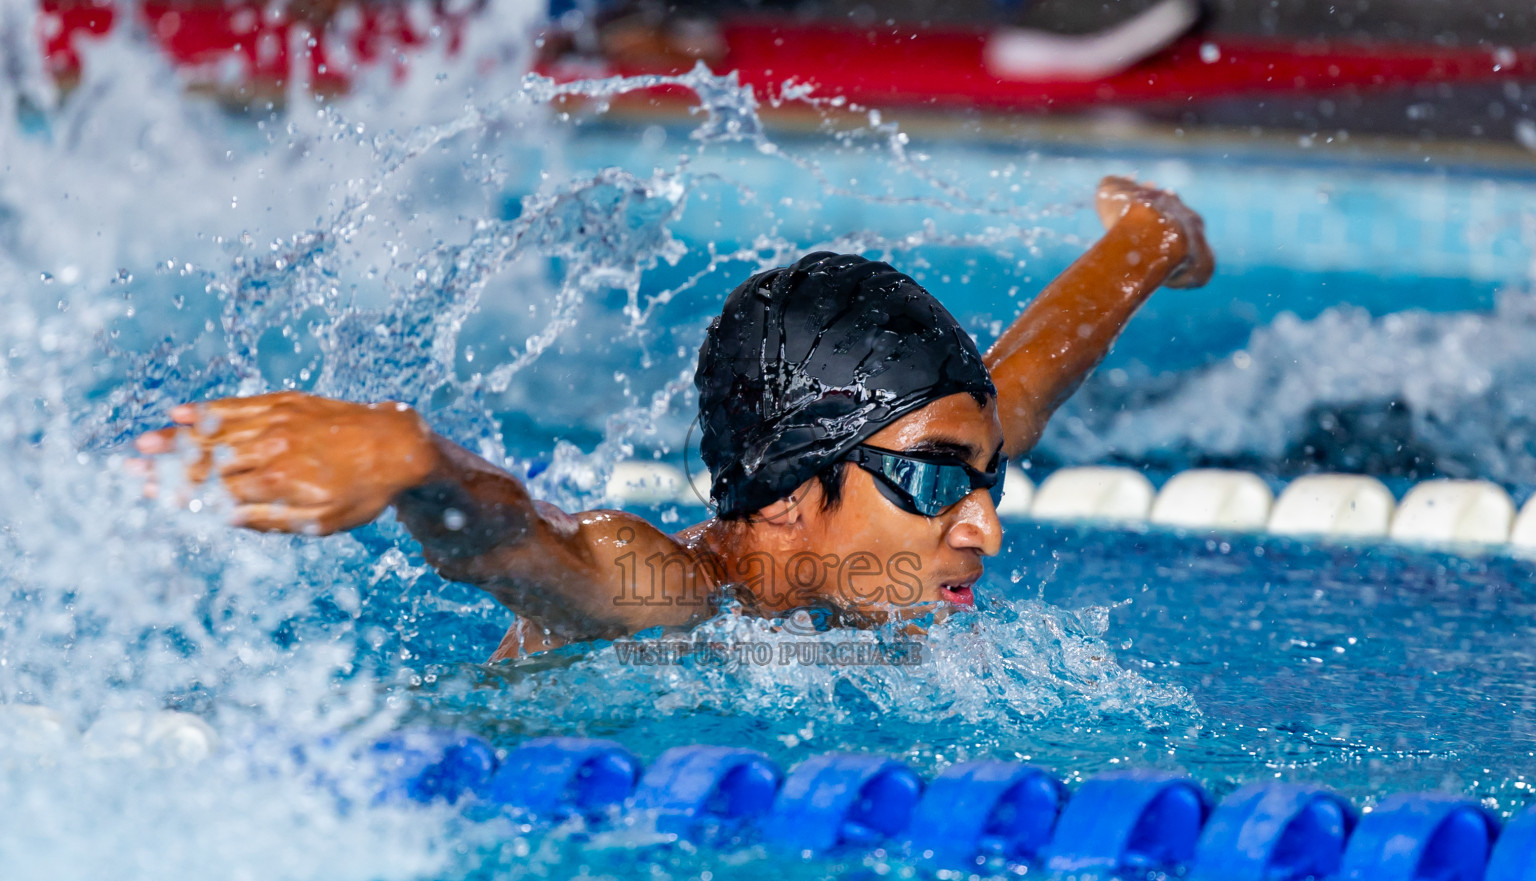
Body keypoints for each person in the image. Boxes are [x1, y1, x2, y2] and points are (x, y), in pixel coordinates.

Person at [133, 176, 1212, 659]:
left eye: (986, 481)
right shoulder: (678, 601)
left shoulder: (875, 515)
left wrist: (1143, 247)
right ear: (791, 499)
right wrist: (414, 461)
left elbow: (1013, 390)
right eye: (942, 484)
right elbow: (543, 548)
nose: (986, 525)